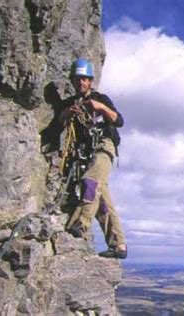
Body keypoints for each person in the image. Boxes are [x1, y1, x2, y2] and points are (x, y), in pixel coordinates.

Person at [58, 58, 127, 259]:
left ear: (90, 81)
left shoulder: (100, 98)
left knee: (90, 181)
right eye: (77, 79)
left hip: (104, 147)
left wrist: (101, 107)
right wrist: (66, 114)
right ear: (73, 81)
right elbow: (58, 126)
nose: (81, 83)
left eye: (84, 79)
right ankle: (119, 245)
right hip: (86, 154)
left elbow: (119, 121)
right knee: (102, 199)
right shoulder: (70, 104)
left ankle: (79, 224)